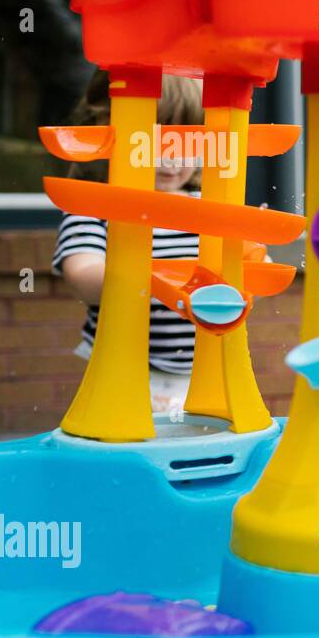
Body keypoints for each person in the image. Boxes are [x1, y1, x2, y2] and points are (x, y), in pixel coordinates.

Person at [52, 72, 206, 416]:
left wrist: (253, 263)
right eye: (153, 141)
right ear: (111, 134)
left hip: (206, 374)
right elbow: (83, 278)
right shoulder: (94, 206)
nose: (172, 160)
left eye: (187, 143)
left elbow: (246, 267)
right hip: (124, 371)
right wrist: (155, 277)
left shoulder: (206, 209)